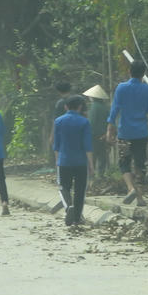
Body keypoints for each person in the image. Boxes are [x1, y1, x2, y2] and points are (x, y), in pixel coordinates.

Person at [105, 60, 148, 206]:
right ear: (144, 73)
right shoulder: (147, 89)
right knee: (140, 164)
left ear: (129, 71)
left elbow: (114, 110)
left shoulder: (121, 88)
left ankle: (130, 188)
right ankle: (140, 198)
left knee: (124, 162)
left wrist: (110, 129)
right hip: (141, 133)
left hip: (124, 133)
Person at [53, 94, 93, 225]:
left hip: (64, 161)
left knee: (63, 187)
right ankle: (77, 217)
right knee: (80, 190)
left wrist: (57, 162)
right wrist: (91, 165)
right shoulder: (84, 122)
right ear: (80, 107)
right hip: (81, 162)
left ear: (65, 107)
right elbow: (88, 146)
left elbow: (56, 145)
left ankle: (68, 206)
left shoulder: (58, 121)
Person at [84, 84, 110, 177]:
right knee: (102, 156)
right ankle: (101, 175)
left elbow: (91, 122)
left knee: (93, 155)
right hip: (103, 135)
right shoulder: (105, 107)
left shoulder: (94, 106)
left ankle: (91, 175)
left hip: (93, 134)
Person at [44, 81, 72, 166]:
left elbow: (56, 121)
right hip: (76, 129)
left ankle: (60, 173)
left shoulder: (60, 103)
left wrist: (52, 135)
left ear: (59, 91)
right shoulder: (77, 100)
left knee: (60, 154)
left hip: (62, 131)